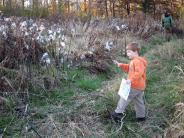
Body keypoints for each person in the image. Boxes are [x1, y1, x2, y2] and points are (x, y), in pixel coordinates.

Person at [111, 42, 147, 122]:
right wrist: (121, 65)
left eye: (129, 52)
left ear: (136, 51)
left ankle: (117, 113)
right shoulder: (134, 61)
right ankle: (141, 117)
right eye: (127, 52)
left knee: (124, 97)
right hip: (139, 86)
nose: (127, 54)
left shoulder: (137, 61)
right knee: (138, 101)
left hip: (135, 85)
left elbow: (139, 72)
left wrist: (131, 79)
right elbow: (129, 69)